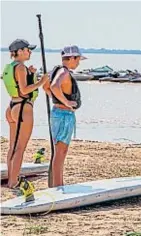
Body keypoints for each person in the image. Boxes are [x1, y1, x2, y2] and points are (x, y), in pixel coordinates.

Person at [1, 39, 49, 189]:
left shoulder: (11, 66)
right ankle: (13, 181)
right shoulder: (21, 67)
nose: (30, 52)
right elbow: (24, 90)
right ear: (20, 51)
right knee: (20, 148)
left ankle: (11, 179)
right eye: (28, 49)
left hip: (12, 107)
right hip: (22, 108)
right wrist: (41, 81)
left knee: (13, 146)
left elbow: (19, 85)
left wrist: (32, 75)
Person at [45, 45, 85, 187]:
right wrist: (66, 102)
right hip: (63, 115)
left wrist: (56, 99)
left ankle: (58, 184)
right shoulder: (64, 72)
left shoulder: (57, 71)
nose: (79, 62)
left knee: (60, 152)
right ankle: (57, 186)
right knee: (60, 153)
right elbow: (54, 86)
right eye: (78, 59)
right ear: (72, 58)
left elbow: (47, 86)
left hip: (59, 113)